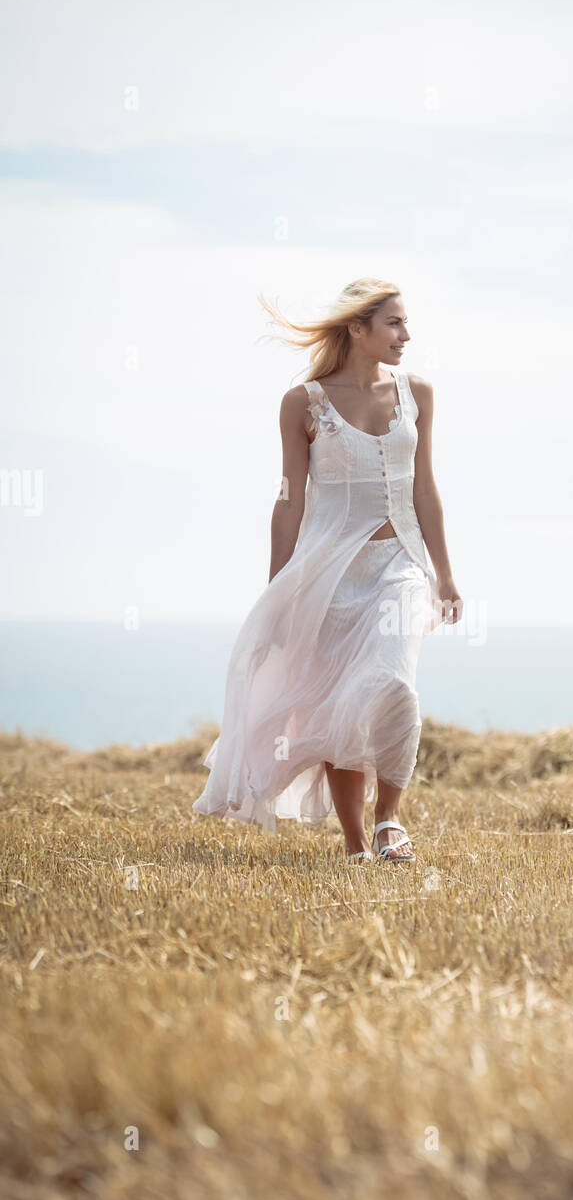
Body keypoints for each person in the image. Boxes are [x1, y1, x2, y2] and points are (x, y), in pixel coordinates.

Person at [192, 277, 462, 863]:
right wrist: (280, 595)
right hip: (328, 575)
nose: (406, 335)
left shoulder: (418, 393)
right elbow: (288, 501)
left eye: (405, 322)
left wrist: (444, 573)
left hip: (401, 567)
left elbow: (425, 489)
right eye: (393, 323)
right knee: (341, 703)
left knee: (391, 686)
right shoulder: (303, 403)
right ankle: (356, 845)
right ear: (356, 330)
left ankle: (390, 820)